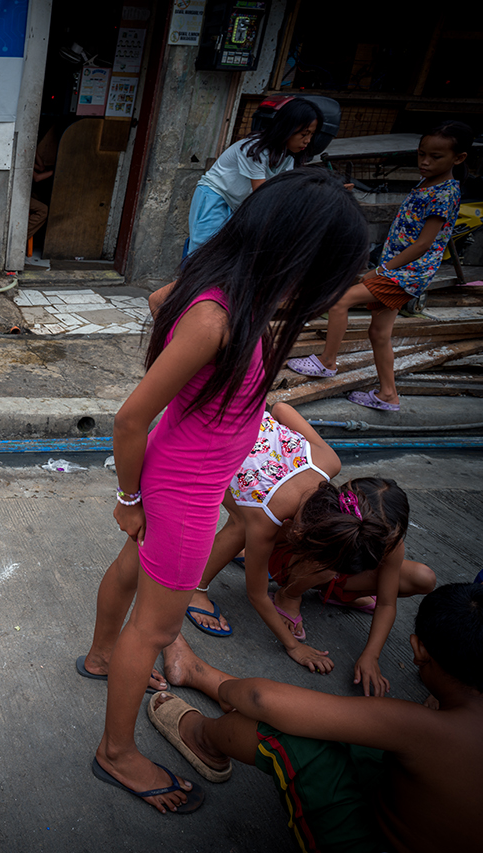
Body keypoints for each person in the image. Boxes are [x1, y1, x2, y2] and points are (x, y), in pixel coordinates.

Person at [80, 168, 370, 814]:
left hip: (183, 472)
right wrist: (128, 499)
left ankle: (101, 655)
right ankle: (117, 751)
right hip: (181, 488)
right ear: (300, 255)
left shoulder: (231, 291)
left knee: (132, 569)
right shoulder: (218, 317)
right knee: (154, 629)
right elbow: (130, 418)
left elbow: (160, 302)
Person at [148, 583, 483, 853]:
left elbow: (261, 699)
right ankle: (203, 680)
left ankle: (204, 735)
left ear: (418, 649)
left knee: (286, 730)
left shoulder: (422, 728)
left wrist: (228, 693)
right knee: (341, 727)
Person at [184, 402, 435, 695]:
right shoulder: (267, 518)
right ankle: (196, 588)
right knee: (242, 523)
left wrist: (371, 655)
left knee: (251, 524)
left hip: (253, 451)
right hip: (212, 450)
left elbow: (280, 408)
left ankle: (293, 575)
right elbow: (255, 594)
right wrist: (293, 647)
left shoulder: (329, 464)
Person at [286, 121, 473, 412]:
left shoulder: (444, 193)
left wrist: (381, 271)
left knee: (337, 301)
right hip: (400, 270)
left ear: (458, 158)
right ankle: (388, 394)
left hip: (405, 274)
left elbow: (424, 244)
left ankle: (326, 362)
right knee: (379, 333)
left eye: (435, 157)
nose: (425, 161)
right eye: (422, 153)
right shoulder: (428, 183)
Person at [186, 98, 320, 256]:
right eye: (304, 134)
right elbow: (263, 194)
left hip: (239, 205)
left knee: (225, 255)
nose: (308, 140)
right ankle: (188, 279)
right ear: (287, 127)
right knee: (203, 252)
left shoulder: (287, 158)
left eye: (311, 134)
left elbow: (283, 191)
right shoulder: (254, 149)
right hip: (216, 197)